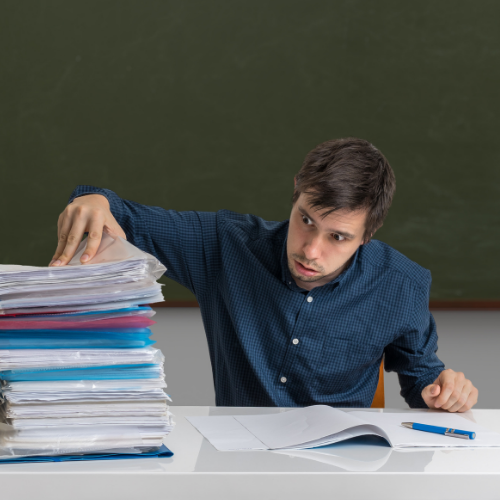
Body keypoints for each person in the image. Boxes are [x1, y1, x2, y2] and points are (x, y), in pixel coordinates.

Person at [50, 137, 478, 412]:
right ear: (295, 195)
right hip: (238, 465)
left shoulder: (401, 284)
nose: (311, 251)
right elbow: (115, 209)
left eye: (338, 237)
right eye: (305, 220)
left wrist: (443, 390)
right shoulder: (225, 245)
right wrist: (94, 200)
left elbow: (421, 378)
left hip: (342, 475)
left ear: (369, 235)